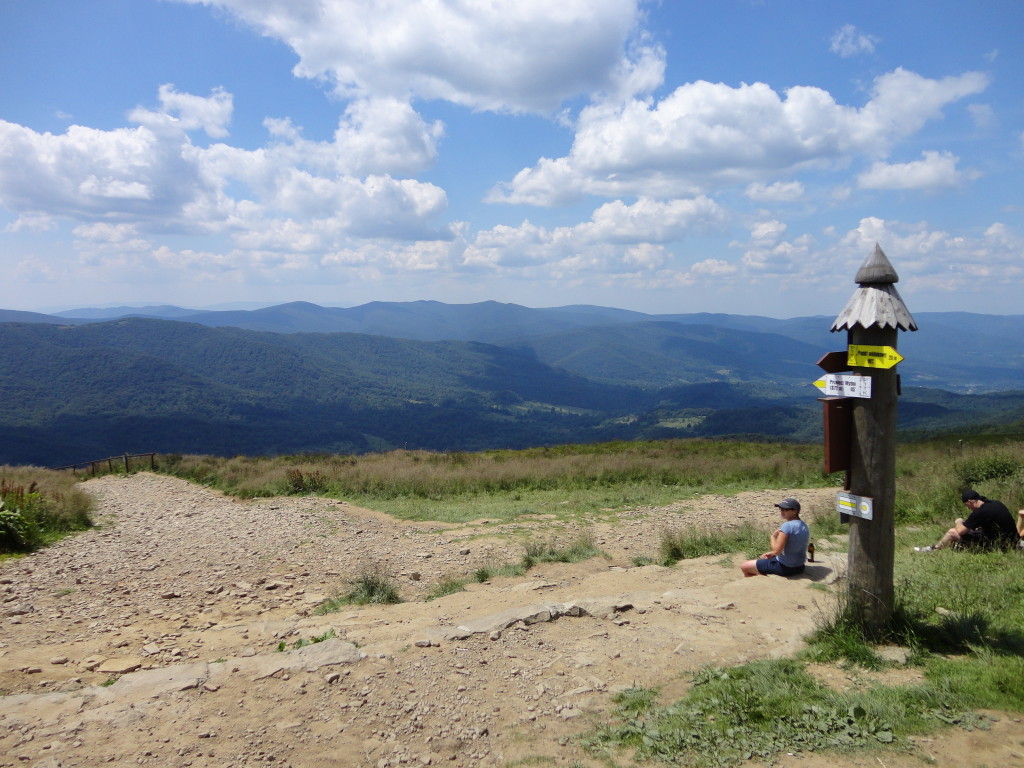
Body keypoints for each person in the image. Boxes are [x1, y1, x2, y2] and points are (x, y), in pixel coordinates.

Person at [913, 489, 1018, 552]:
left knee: (952, 532)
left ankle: (934, 549)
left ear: (970, 501)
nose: (968, 508)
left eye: (966, 505)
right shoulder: (995, 503)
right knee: (976, 529)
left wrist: (959, 521)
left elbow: (960, 531)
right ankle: (952, 547)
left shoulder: (980, 512)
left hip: (997, 545)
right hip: (1012, 541)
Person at [740, 498, 810, 577]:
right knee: (764, 560)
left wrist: (773, 537)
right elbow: (794, 546)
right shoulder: (803, 525)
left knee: (744, 566)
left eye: (785, 509)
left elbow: (777, 551)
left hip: (785, 567)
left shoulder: (787, 526)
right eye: (781, 509)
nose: (782, 511)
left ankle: (760, 578)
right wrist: (773, 553)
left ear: (795, 511)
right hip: (800, 566)